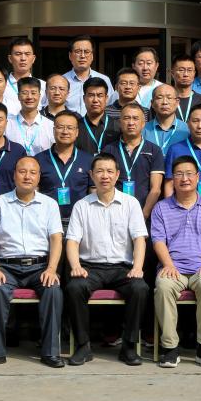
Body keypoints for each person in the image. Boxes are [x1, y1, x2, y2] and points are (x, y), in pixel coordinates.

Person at [0, 156, 65, 369]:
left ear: (39, 177)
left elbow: (56, 239)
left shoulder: (49, 205)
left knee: (53, 289)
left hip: (40, 266)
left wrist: (51, 269)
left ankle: (50, 352)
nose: (27, 176)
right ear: (14, 175)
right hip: (6, 266)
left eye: (32, 172)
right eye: (22, 171)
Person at [64, 153, 150, 367]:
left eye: (110, 171)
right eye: (100, 171)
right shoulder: (82, 205)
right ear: (91, 175)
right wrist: (76, 266)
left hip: (122, 268)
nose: (105, 176)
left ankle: (129, 346)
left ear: (117, 174)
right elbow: (72, 241)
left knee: (140, 288)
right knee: (74, 288)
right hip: (91, 268)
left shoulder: (130, 203)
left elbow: (139, 239)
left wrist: (137, 267)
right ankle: (83, 346)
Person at [152, 155, 201, 369]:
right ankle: (170, 348)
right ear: (172, 179)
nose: (185, 178)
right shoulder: (161, 208)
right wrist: (168, 264)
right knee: (163, 287)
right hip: (173, 268)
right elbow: (158, 241)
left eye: (189, 174)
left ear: (198, 177)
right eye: (179, 174)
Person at [102, 102, 165, 218]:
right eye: (126, 118)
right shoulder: (109, 150)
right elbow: (104, 185)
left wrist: (144, 215)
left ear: (143, 123)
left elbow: (155, 189)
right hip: (114, 213)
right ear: (120, 122)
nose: (131, 123)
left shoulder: (154, 150)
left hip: (144, 213)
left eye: (135, 118)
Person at [36, 110, 92, 225]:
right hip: (46, 221)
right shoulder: (39, 160)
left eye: (70, 128)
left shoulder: (88, 160)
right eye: (60, 127)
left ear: (77, 132)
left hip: (79, 222)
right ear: (53, 130)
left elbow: (93, 192)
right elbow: (34, 192)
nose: (65, 131)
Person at [64, 35, 114, 115]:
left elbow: (111, 107)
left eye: (86, 52)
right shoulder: (62, 81)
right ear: (70, 56)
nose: (82, 56)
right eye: (78, 52)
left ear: (92, 56)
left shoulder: (104, 80)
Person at [5, 76, 55, 156]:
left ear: (39, 96)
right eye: (25, 93)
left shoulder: (50, 125)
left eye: (33, 93)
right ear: (18, 96)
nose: (29, 97)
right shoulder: (7, 124)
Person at [143, 83, 189, 155]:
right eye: (159, 98)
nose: (165, 102)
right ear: (152, 103)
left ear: (177, 102)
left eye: (169, 98)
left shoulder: (187, 130)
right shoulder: (143, 130)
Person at [4, 38, 46, 115]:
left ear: (33, 59)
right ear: (10, 58)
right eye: (18, 54)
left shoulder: (43, 86)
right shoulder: (1, 86)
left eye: (27, 54)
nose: (23, 58)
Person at [77, 77, 119, 153]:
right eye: (91, 95)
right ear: (84, 98)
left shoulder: (117, 126)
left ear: (106, 98)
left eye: (100, 95)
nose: (95, 100)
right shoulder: (75, 127)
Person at [170, 54, 201, 121]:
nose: (186, 74)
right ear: (172, 73)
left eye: (189, 70)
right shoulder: (165, 100)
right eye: (181, 70)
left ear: (194, 73)